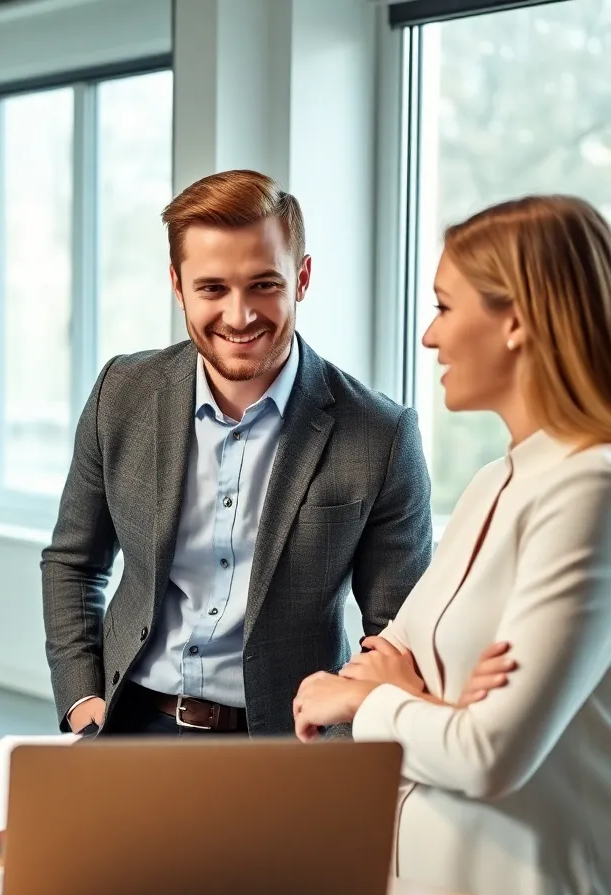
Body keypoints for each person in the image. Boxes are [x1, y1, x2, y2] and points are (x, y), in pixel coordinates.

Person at [293, 194, 611, 895]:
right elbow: (388, 649)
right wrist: (435, 702)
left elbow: (487, 755)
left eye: (444, 305)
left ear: (518, 320)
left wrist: (378, 698)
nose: (430, 336)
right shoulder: (494, 480)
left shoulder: (591, 492)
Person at [42, 170, 433, 738]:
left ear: (301, 278)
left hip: (288, 745)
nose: (240, 315)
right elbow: (72, 562)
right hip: (126, 725)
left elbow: (396, 635)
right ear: (177, 286)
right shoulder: (120, 393)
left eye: (264, 285)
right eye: (212, 289)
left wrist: (345, 739)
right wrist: (83, 701)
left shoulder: (380, 434)